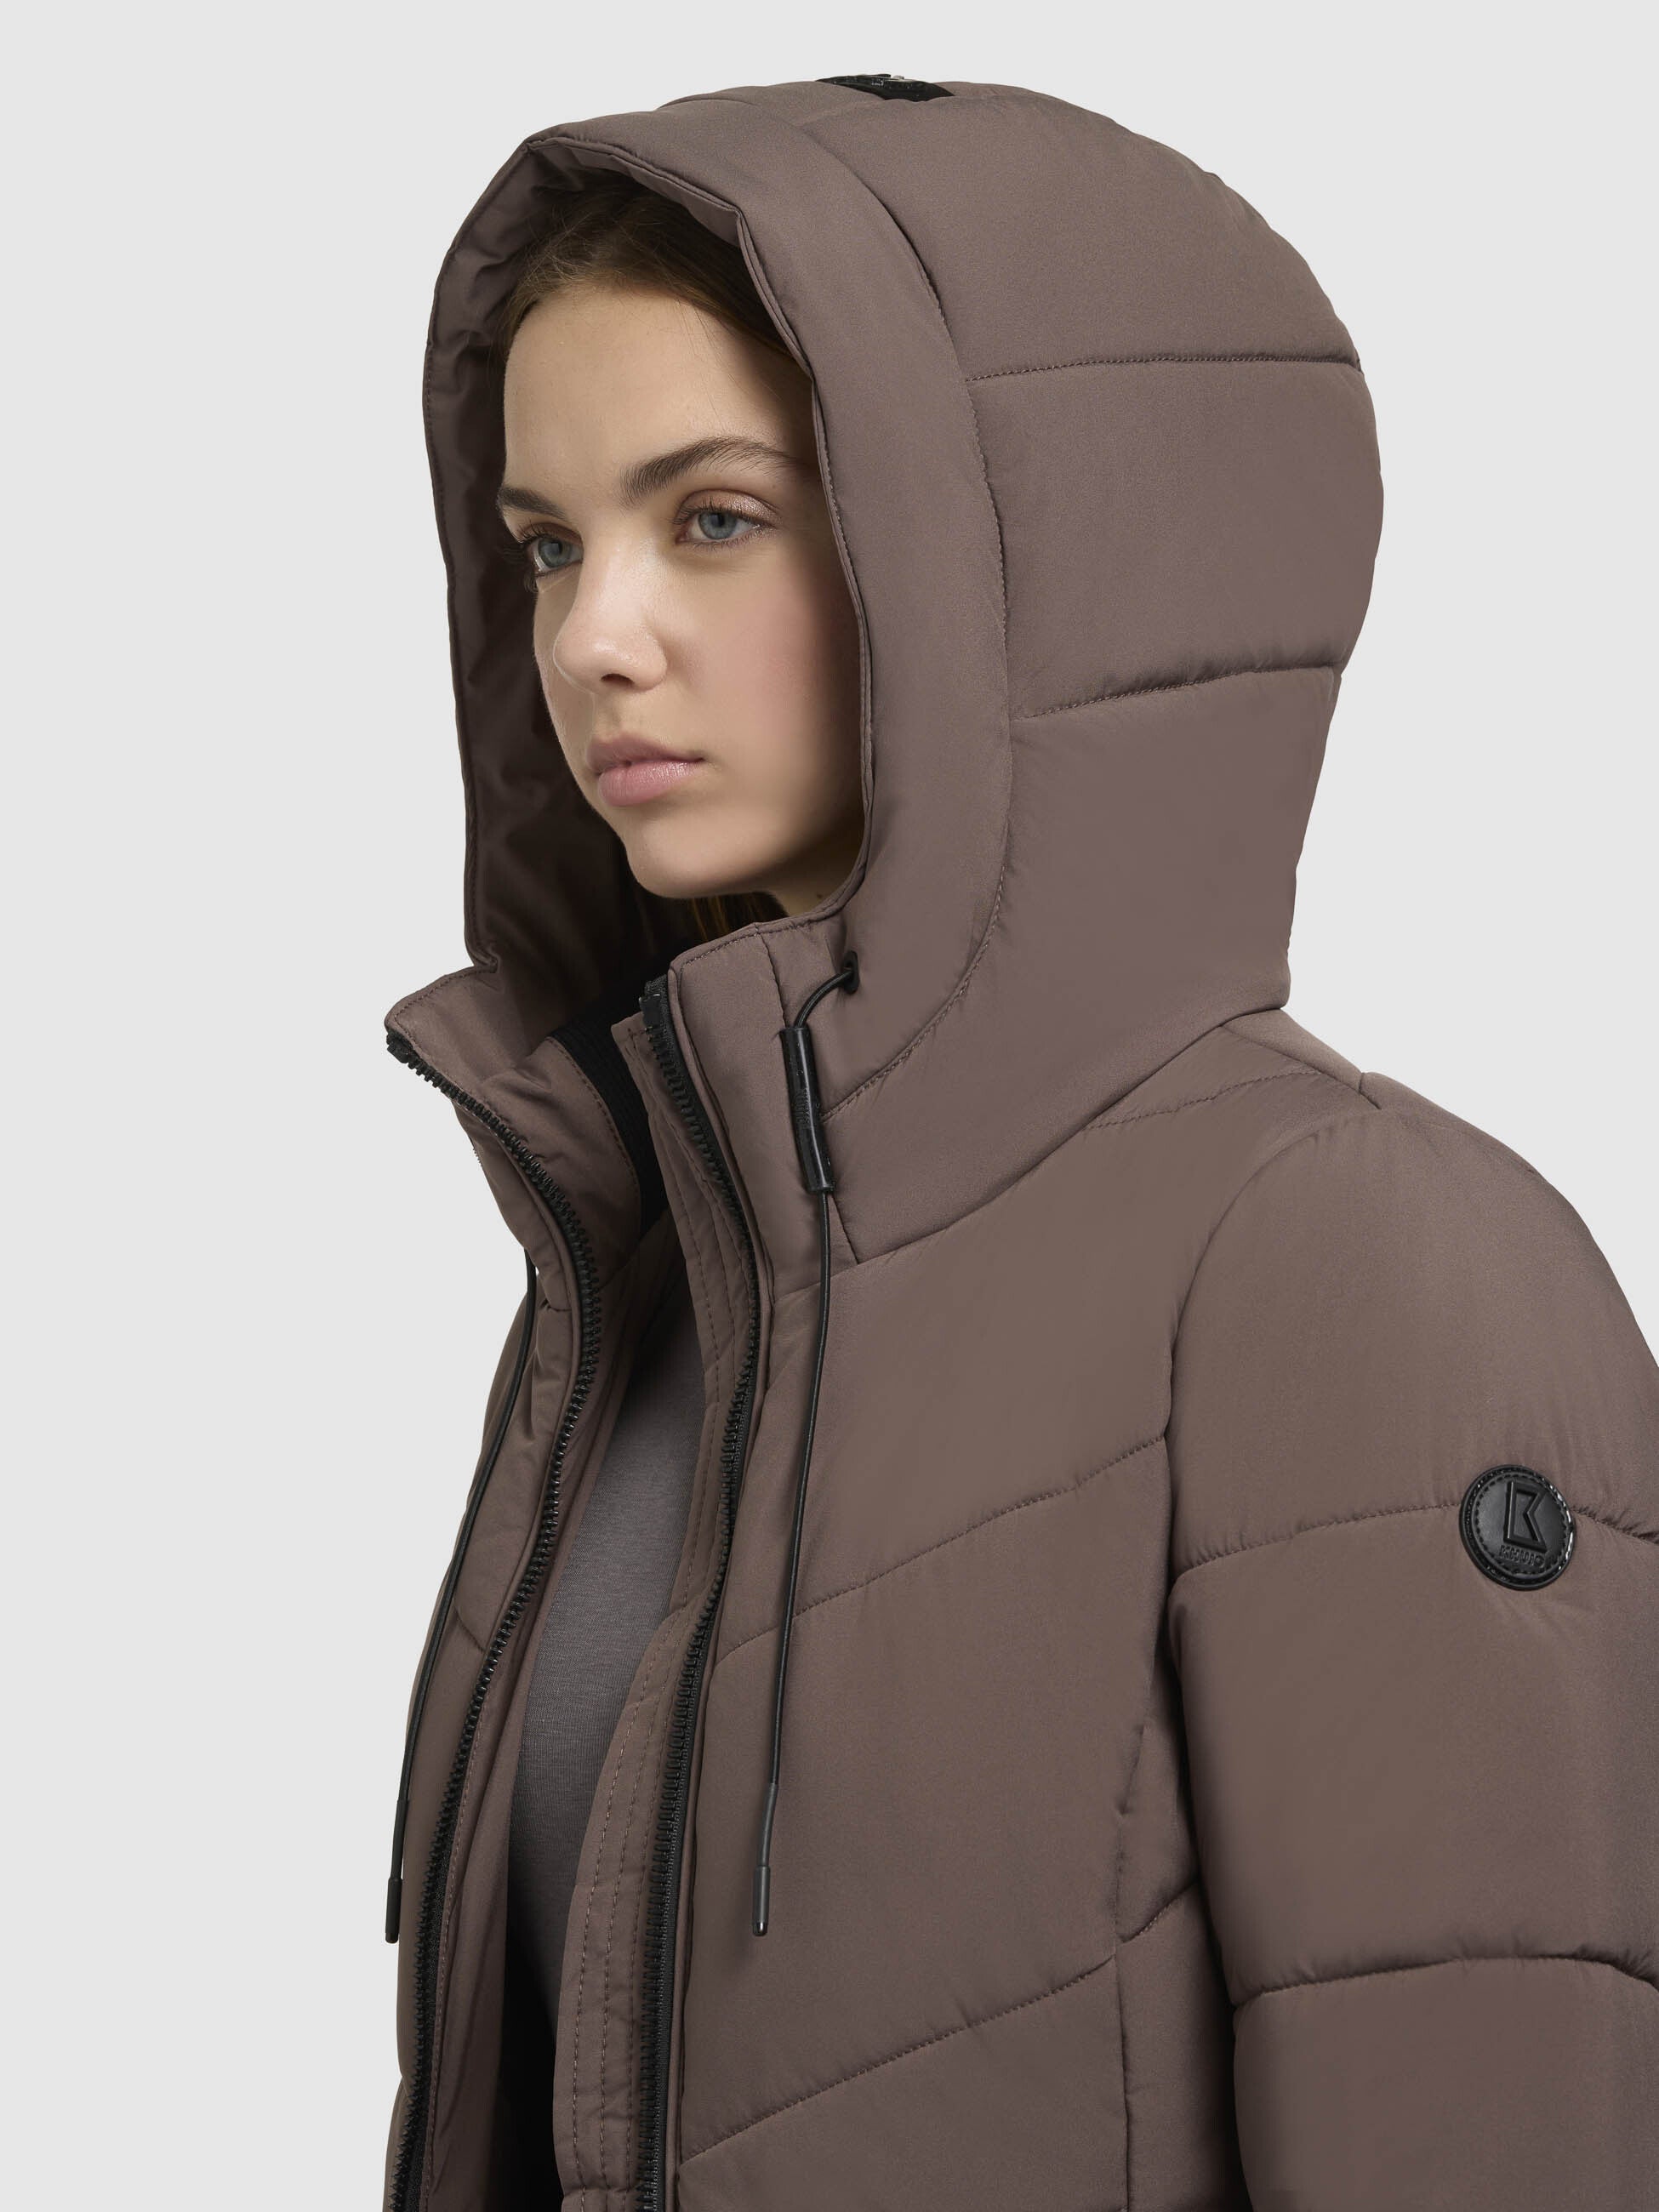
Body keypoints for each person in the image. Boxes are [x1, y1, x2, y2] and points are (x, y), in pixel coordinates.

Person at [379, 77, 1659, 2212]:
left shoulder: (1350, 1260)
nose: (594, 637)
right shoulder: (659, 1274)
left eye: (715, 518)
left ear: (1021, 563)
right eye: (548, 544)